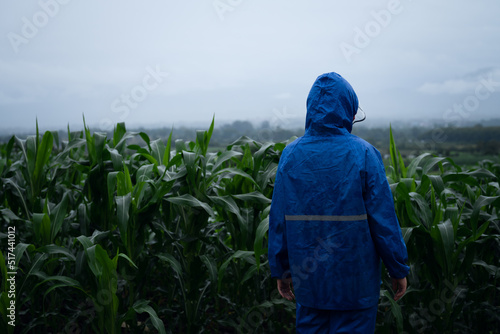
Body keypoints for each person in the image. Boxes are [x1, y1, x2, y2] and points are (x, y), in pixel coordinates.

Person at [268, 72, 409, 333]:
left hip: (309, 285)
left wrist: (281, 270)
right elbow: (383, 221)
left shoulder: (291, 155)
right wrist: (397, 268)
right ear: (349, 111)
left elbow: (278, 220)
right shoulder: (365, 154)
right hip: (356, 286)